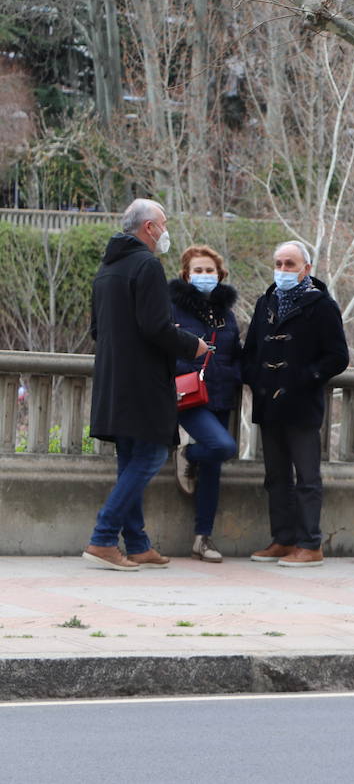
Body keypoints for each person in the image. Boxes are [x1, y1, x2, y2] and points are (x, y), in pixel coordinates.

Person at [83, 199, 206, 570]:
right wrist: (191, 344)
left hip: (113, 379)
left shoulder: (107, 268)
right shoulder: (147, 265)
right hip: (143, 382)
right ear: (149, 228)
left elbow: (96, 330)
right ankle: (104, 538)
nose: (166, 231)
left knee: (130, 461)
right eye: (163, 224)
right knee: (152, 455)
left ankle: (136, 543)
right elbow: (154, 327)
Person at [242, 241, 349, 567]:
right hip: (268, 404)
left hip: (302, 405)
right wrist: (256, 378)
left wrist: (305, 377)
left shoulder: (322, 306)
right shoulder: (265, 303)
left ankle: (309, 544)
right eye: (279, 263)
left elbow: (338, 357)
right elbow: (250, 351)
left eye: (290, 264)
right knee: (275, 477)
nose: (283, 270)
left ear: (306, 269)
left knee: (306, 477)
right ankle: (283, 539)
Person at [170, 245, 243, 564]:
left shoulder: (226, 314)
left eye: (209, 270)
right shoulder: (173, 308)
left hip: (221, 394)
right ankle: (187, 453)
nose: (204, 276)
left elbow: (235, 352)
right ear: (186, 275)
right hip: (188, 396)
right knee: (223, 446)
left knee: (214, 468)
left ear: (220, 274)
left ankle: (203, 537)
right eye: (197, 271)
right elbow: (166, 347)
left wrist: (237, 373)